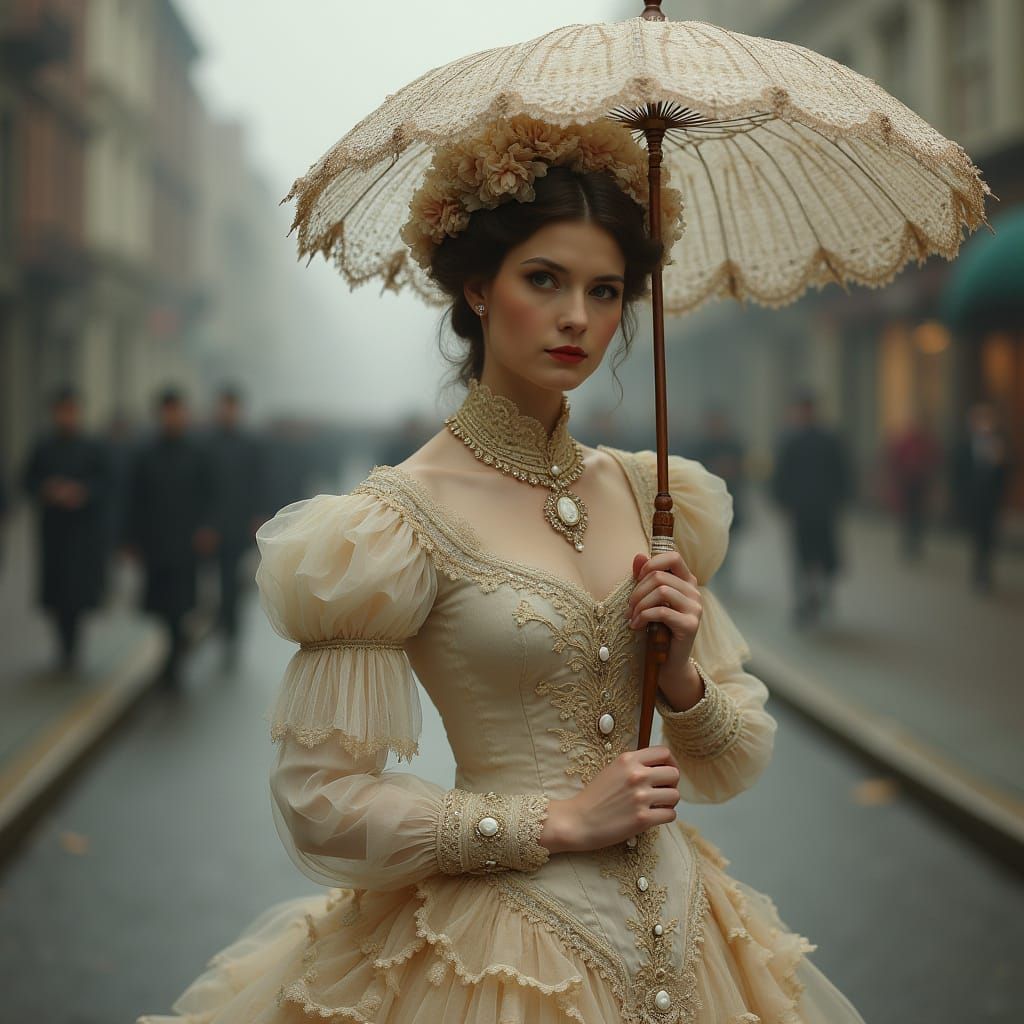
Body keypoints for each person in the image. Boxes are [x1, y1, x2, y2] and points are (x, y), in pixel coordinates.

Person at [138, 119, 866, 1024]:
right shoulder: (390, 526)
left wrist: (680, 679)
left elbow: (728, 765)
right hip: (502, 953)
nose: (577, 318)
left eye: (605, 292)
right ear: (478, 288)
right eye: (545, 280)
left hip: (688, 934)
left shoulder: (650, 493)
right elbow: (318, 802)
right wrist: (552, 823)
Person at [123, 389, 217, 689]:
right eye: (168, 411)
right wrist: (129, 538)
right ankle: (173, 650)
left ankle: (173, 662)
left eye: (178, 411)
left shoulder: (198, 453)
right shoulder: (144, 453)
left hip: (187, 543)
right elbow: (132, 498)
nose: (173, 417)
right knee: (161, 606)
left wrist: (208, 528)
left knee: (181, 604)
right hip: (155, 541)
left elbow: (211, 495)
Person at [21, 387, 111, 671]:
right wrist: (48, 490)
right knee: (58, 593)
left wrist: (82, 492)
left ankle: (72, 649)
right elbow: (26, 481)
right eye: (62, 411)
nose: (67, 416)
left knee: (79, 593)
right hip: (54, 532)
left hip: (83, 534)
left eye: (71, 410)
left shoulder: (92, 447)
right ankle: (63, 648)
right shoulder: (43, 447)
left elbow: (106, 483)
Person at [771, 392, 853, 625]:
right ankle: (804, 600)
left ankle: (823, 596)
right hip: (800, 510)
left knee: (824, 555)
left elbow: (841, 471)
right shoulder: (789, 440)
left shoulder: (828, 439)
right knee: (801, 557)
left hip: (823, 509)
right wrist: (782, 502)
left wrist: (840, 500)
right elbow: (781, 476)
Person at [204, 386, 268, 669]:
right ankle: (222, 622)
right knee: (217, 580)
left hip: (239, 525)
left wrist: (258, 516)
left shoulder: (250, 445)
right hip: (213, 526)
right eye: (224, 407)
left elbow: (259, 484)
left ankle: (230, 630)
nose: (227, 412)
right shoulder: (206, 445)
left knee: (232, 580)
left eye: (232, 407)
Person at [952, 401, 1011, 593]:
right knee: (978, 539)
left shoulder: (999, 444)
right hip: (973, 501)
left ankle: (985, 573)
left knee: (989, 539)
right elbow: (958, 474)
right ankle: (979, 573)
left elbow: (1006, 475)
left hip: (992, 502)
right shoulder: (964, 444)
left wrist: (999, 462)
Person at [885, 414, 941, 561]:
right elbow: (894, 461)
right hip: (906, 485)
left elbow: (934, 460)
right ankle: (908, 541)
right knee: (908, 515)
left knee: (918, 515)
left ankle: (915, 542)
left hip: (920, 484)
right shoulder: (904, 442)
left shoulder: (925, 442)